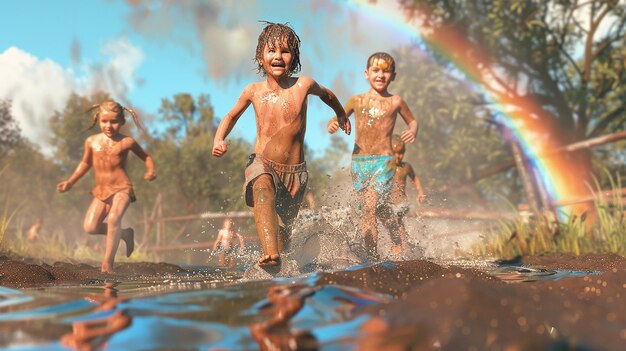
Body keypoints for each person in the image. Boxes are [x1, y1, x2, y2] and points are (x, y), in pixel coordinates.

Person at [212, 22, 349, 267]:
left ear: (294, 58)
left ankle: (280, 256)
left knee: (286, 229)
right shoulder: (253, 91)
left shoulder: (303, 85)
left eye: (285, 51)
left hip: (295, 174)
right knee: (262, 191)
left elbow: (328, 95)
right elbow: (231, 116)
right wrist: (219, 138)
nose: (278, 56)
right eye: (271, 51)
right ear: (260, 56)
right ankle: (270, 254)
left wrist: (341, 114)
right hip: (261, 162)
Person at [328, 52, 418, 259]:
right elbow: (337, 118)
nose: (381, 75)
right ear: (366, 73)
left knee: (369, 207)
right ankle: (395, 233)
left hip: (383, 162)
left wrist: (413, 130)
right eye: (376, 70)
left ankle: (371, 258)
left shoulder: (395, 102)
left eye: (386, 71)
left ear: (393, 76)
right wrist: (334, 123)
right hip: (359, 162)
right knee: (374, 209)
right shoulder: (356, 101)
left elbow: (412, 121)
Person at [57, 100, 156, 273]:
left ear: (122, 122)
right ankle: (125, 234)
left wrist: (151, 169)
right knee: (90, 227)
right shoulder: (91, 142)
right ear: (98, 119)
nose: (109, 126)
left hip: (122, 188)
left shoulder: (127, 142)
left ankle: (107, 265)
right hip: (101, 190)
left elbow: (146, 156)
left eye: (114, 121)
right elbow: (85, 164)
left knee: (113, 219)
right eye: (104, 121)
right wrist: (70, 182)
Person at [390, 135, 425, 254]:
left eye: (401, 153)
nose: (398, 156)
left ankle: (398, 246)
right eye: (395, 153)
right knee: (396, 224)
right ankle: (404, 245)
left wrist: (420, 192)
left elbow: (415, 178)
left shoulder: (406, 167)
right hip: (390, 202)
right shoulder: (386, 167)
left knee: (395, 221)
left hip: (402, 202)